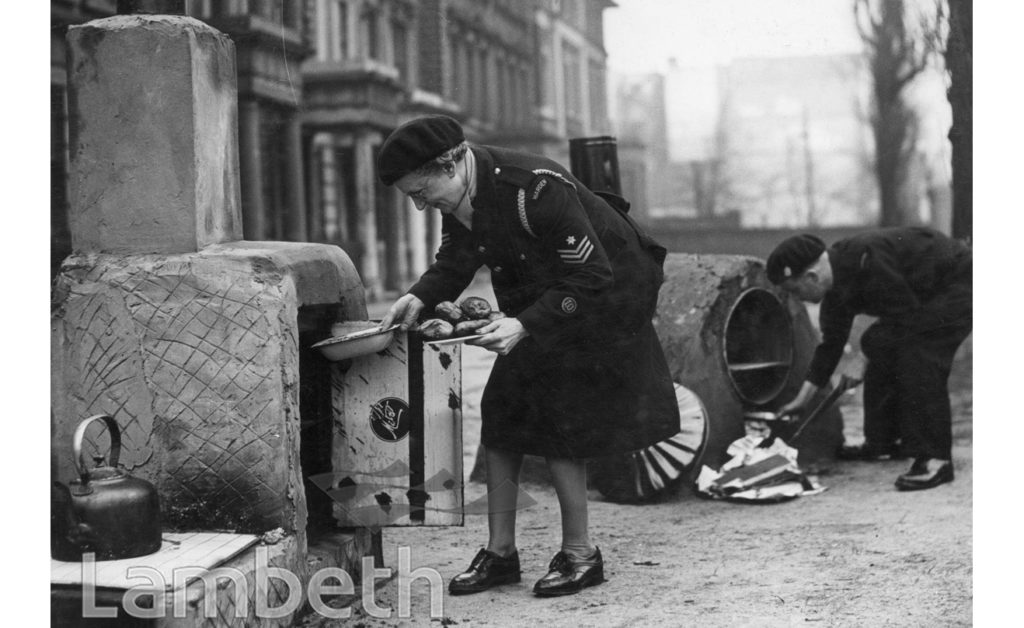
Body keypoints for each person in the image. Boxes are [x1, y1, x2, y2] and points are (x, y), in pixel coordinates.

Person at [376, 115, 680, 596]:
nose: (419, 205)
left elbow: (592, 277)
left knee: (562, 418)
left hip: (609, 294)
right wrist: (419, 296)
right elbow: (456, 258)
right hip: (549, 297)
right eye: (411, 196)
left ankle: (582, 555)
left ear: (451, 163)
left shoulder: (534, 190)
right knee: (502, 412)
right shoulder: (457, 192)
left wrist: (524, 324)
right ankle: (500, 555)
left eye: (420, 192)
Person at [769, 228, 972, 491]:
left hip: (960, 283)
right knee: (883, 346)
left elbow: (904, 316)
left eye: (795, 291)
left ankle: (936, 458)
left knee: (919, 354)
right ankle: (882, 443)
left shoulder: (869, 259)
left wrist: (862, 356)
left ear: (811, 276)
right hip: (921, 300)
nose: (798, 298)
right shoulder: (833, 286)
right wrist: (802, 400)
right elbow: (830, 345)